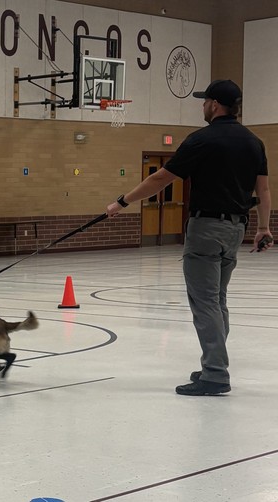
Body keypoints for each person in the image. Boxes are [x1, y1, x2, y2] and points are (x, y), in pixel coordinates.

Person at [105, 79, 272, 396]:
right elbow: (262, 189)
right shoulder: (254, 142)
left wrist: (122, 201)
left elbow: (161, 178)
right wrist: (263, 228)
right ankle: (213, 363)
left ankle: (215, 373)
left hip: (206, 228)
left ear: (214, 105)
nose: (202, 107)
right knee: (218, 299)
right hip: (237, 228)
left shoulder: (202, 140)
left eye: (204, 101)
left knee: (205, 302)